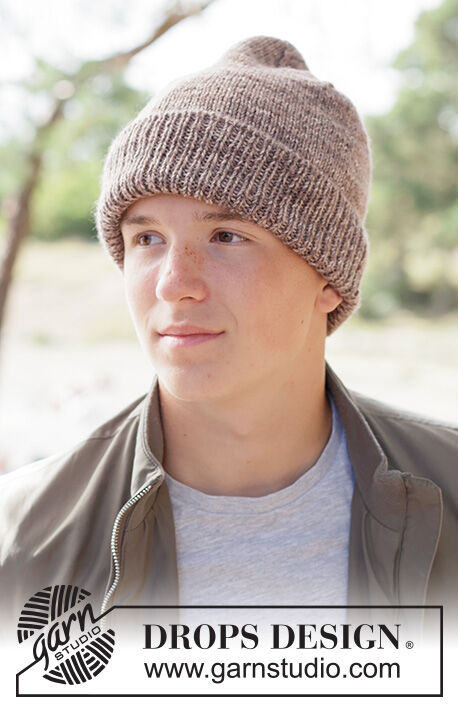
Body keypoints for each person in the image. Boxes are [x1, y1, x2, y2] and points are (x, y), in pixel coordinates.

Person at [0, 36, 456, 630]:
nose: (173, 284)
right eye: (147, 238)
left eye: (226, 237)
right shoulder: (23, 537)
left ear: (329, 278)